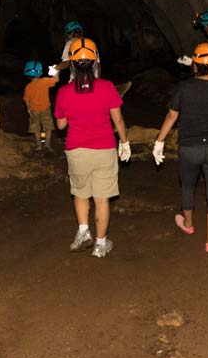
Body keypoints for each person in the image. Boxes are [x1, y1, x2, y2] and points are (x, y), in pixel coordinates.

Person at [153, 42, 208, 253]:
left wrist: (159, 141)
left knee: (187, 187)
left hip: (189, 148)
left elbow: (171, 115)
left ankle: (189, 225)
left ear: (195, 64)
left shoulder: (184, 87)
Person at [53, 37, 131, 258]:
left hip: (77, 150)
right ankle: (100, 244)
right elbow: (118, 120)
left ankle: (83, 230)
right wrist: (124, 142)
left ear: (72, 64)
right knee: (102, 199)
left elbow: (60, 124)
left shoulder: (65, 92)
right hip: (104, 148)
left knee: (80, 193)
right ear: (95, 61)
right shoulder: (107, 87)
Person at [22, 60, 57, 152]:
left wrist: (29, 109)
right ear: (40, 72)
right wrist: (55, 71)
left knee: (36, 128)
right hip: (45, 108)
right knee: (48, 126)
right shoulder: (45, 81)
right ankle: (47, 145)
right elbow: (56, 80)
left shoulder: (28, 87)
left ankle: (39, 146)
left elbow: (26, 100)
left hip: (34, 110)